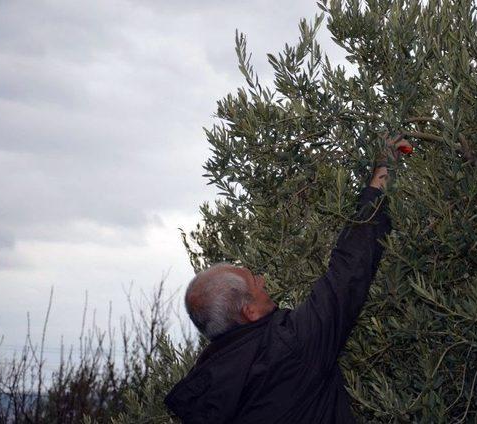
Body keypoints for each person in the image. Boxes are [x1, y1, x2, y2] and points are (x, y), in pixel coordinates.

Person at [164, 135, 411, 423]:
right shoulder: (289, 350)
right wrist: (381, 176)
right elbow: (348, 273)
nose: (262, 281)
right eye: (253, 282)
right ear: (249, 311)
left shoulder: (208, 384)